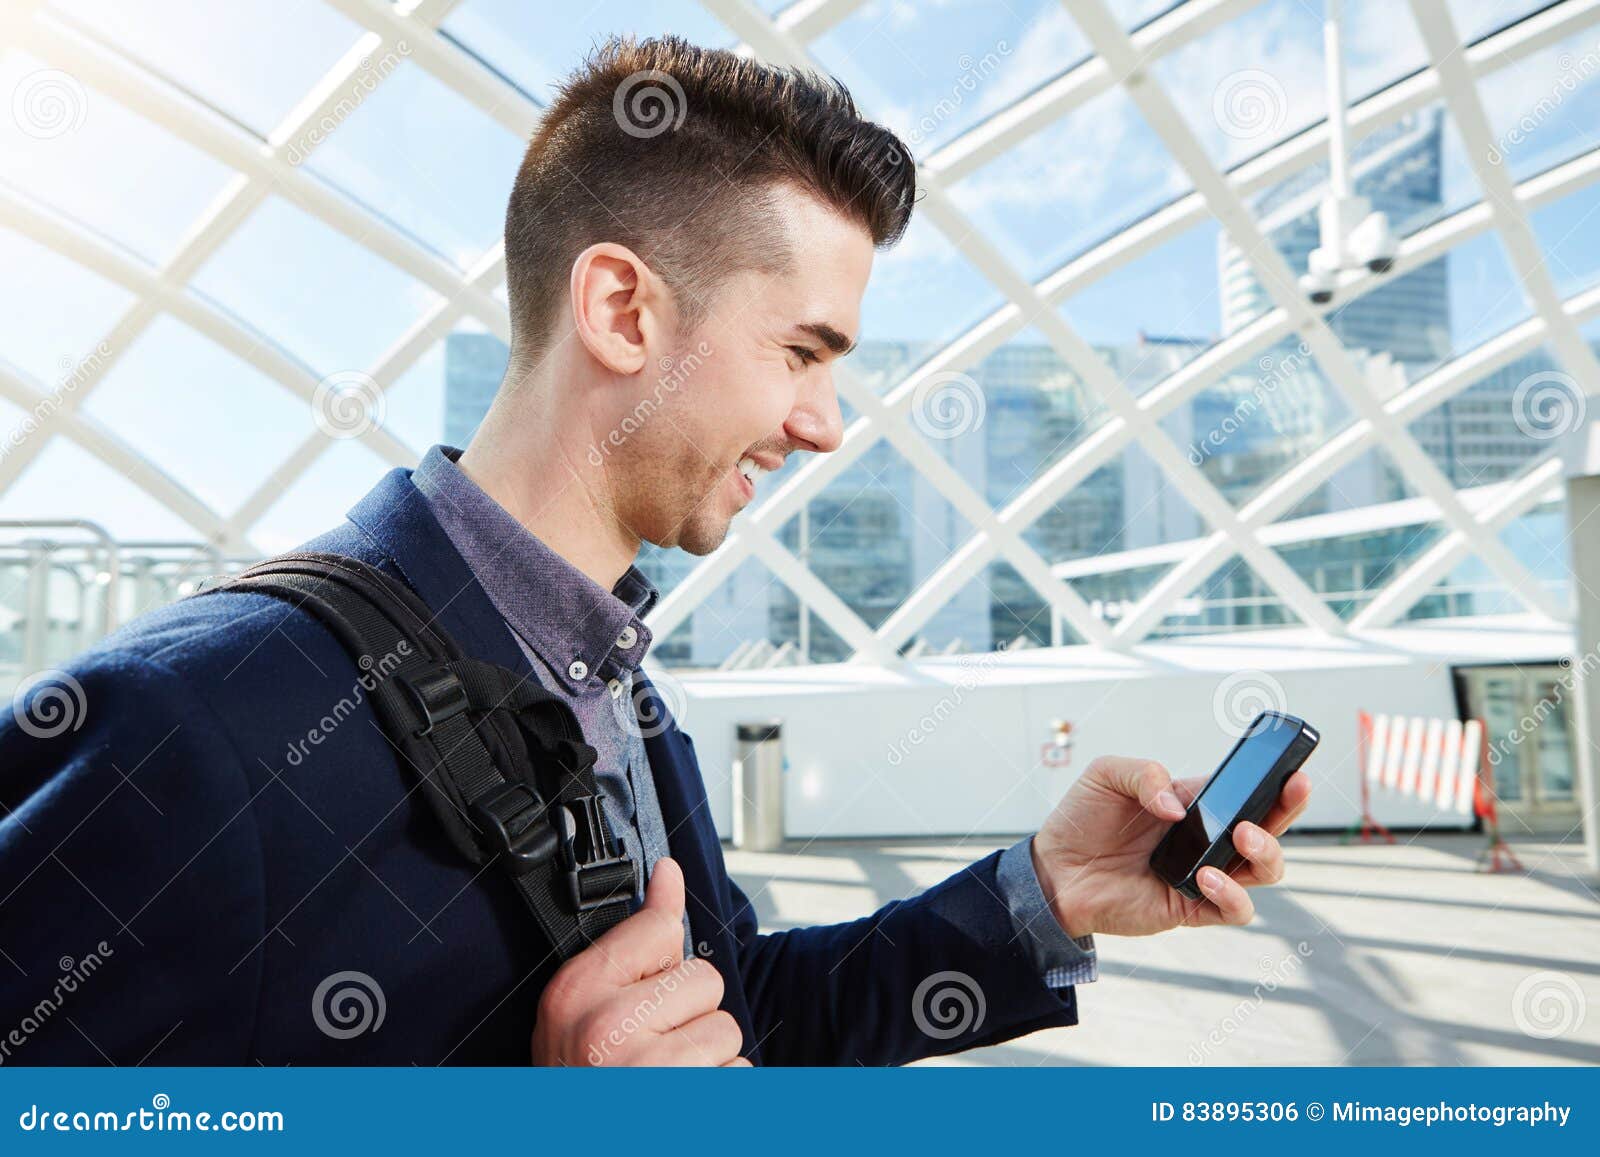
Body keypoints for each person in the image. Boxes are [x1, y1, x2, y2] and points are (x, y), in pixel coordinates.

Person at [0, 36, 1310, 1067]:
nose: (823, 423)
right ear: (624, 308)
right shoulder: (199, 724)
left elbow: (737, 1022)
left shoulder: (609, 681)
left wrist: (1044, 891)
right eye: (800, 352)